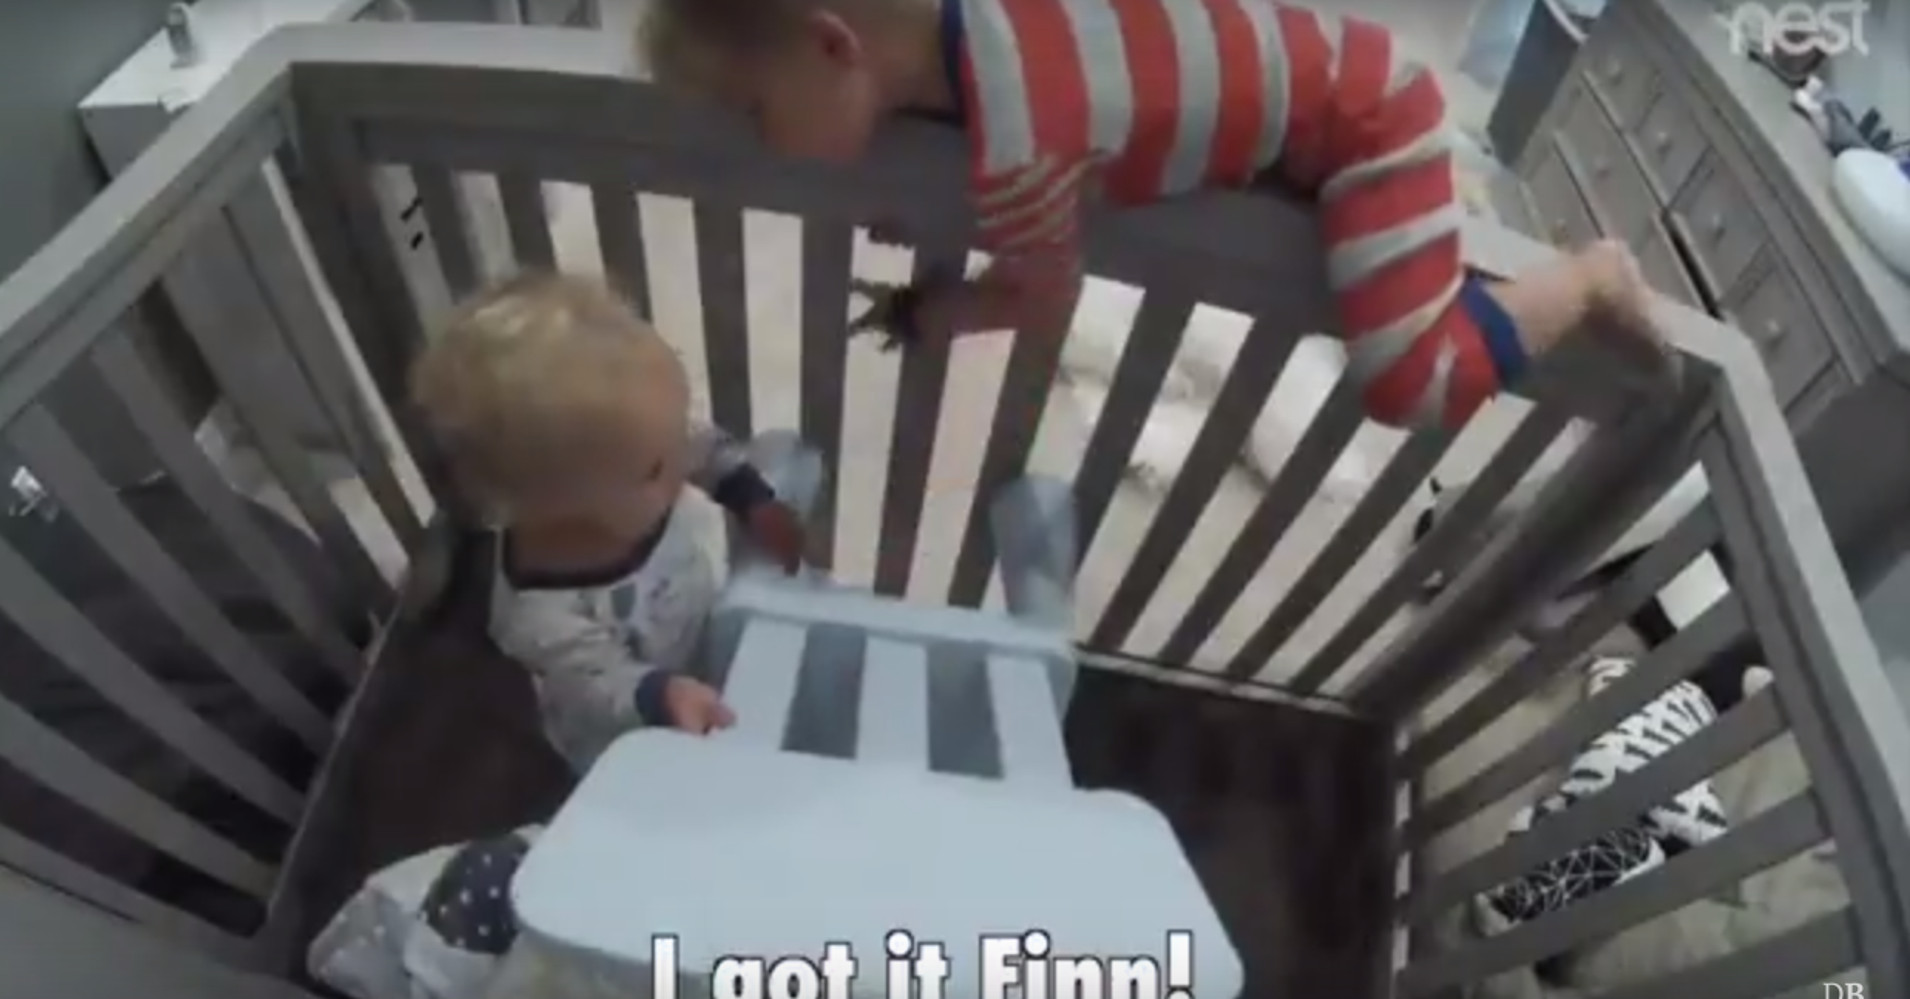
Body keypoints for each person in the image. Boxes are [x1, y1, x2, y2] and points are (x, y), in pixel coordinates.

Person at [635, 0, 1673, 430]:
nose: (759, 141)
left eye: (753, 110)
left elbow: (1041, 294)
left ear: (831, 47)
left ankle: (1589, 276)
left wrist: (928, 314)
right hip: (1308, 63)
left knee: (1409, 382)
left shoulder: (1017, 147)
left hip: (1367, 120)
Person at [412, 271, 818, 771]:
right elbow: (596, 683)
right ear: (558, 503)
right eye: (656, 465)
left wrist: (752, 499)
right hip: (643, 711)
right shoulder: (538, 613)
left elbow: (699, 445)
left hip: (703, 613)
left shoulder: (636, 452)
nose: (683, 457)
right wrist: (658, 695)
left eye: (677, 432)